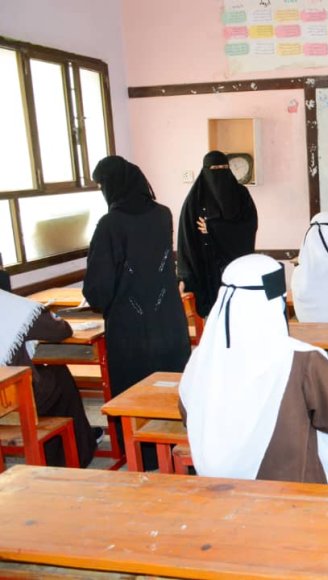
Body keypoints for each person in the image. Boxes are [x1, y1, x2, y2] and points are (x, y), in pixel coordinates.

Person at [179, 254, 328, 483]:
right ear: (276, 303)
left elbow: (189, 415)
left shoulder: (202, 357)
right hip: (293, 493)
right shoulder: (303, 360)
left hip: (220, 491)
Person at [83, 156, 191, 467]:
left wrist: (100, 300)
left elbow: (98, 286)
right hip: (168, 320)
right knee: (172, 386)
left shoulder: (110, 224)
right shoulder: (163, 214)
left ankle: (142, 457)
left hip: (130, 328)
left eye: (102, 185)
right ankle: (180, 449)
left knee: (133, 393)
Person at [0, 289, 97, 467]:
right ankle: (76, 453)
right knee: (59, 375)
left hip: (5, 395)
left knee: (48, 378)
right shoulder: (11, 306)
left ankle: (63, 447)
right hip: (13, 400)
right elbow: (60, 330)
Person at [178, 151, 258, 317]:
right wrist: (184, 277)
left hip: (237, 267)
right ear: (206, 170)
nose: (220, 172)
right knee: (214, 319)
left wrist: (213, 228)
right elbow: (186, 240)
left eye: (224, 167)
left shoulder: (241, 194)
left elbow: (248, 227)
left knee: (240, 317)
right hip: (207, 272)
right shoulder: (195, 200)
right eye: (215, 168)